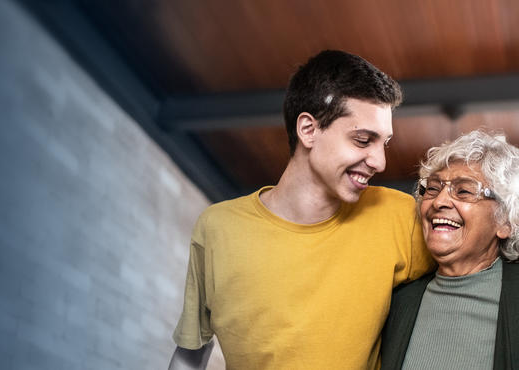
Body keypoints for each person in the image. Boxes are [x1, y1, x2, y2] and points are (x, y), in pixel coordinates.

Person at [170, 50, 434, 370]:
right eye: (363, 140)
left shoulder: (398, 216)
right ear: (308, 129)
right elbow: (190, 353)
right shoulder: (217, 229)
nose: (380, 162)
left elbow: (479, 265)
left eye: (385, 143)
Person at [381, 130, 519, 370]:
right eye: (432, 189)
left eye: (464, 191)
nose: (439, 201)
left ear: (505, 222)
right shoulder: (397, 301)